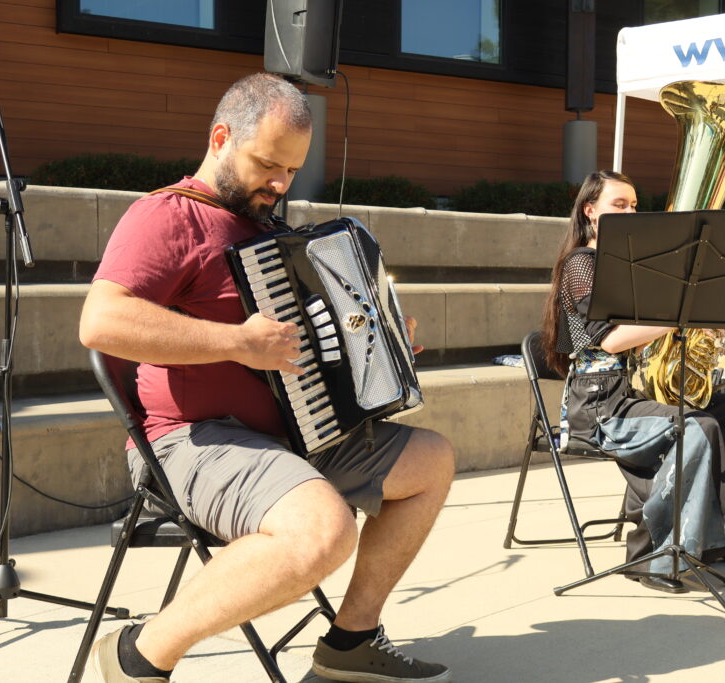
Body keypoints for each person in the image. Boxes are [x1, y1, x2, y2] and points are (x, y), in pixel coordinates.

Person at [79, 73, 454, 683]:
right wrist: (236, 342)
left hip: (295, 436)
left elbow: (326, 337)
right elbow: (100, 321)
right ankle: (138, 654)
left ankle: (351, 642)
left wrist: (382, 340)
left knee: (431, 461)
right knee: (323, 532)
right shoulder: (168, 217)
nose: (280, 185)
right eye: (267, 165)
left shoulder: (272, 231)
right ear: (221, 138)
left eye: (292, 172)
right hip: (193, 441)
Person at [541, 170, 725, 594]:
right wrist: (682, 312)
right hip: (601, 406)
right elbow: (613, 340)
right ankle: (650, 556)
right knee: (696, 427)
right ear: (590, 211)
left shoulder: (633, 264)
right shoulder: (581, 265)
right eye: (618, 205)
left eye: (634, 205)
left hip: (639, 393)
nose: (630, 212)